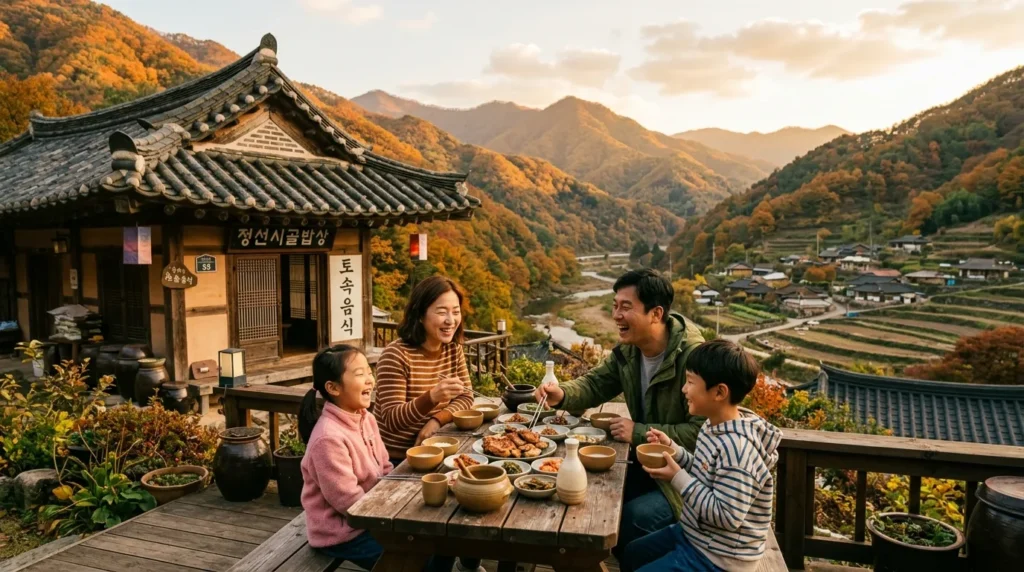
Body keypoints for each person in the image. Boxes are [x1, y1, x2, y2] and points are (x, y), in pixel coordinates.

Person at [533, 268, 705, 560]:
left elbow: (701, 433)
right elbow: (595, 384)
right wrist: (561, 393)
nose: (616, 315)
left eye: (626, 307)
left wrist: (637, 431)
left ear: (656, 313)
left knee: (630, 519)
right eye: (614, 306)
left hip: (688, 478)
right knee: (590, 492)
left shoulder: (693, 358)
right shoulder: (630, 351)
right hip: (646, 465)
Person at [622, 339, 781, 572]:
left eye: (690, 382)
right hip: (696, 535)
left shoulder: (737, 450)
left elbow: (726, 516)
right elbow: (705, 471)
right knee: (632, 554)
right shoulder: (712, 426)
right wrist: (675, 451)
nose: (684, 389)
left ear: (719, 392)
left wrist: (677, 477)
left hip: (720, 557)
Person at [374, 275, 482, 572]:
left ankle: (461, 564)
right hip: (399, 462)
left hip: (438, 454)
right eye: (441, 311)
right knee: (444, 525)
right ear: (420, 314)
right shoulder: (395, 355)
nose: (451, 320)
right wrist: (431, 397)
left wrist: (435, 420)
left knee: (473, 502)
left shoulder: (452, 349)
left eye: (456, 312)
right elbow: (391, 420)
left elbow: (467, 397)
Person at [297, 345, 393, 570]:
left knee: (434, 543)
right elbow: (349, 502)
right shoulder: (328, 438)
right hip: (342, 533)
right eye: (360, 374)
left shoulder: (366, 418)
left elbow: (386, 467)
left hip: (370, 516)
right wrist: (391, 517)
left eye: (369, 371)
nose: (370, 379)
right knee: (415, 556)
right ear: (333, 387)